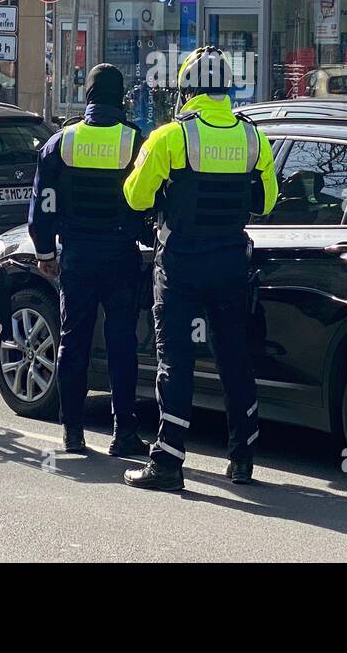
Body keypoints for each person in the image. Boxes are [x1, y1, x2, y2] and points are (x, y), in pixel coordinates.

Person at [121, 46, 278, 491]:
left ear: (186, 90)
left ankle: (168, 463)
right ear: (227, 88)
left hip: (181, 264)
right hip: (230, 263)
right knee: (234, 359)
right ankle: (243, 458)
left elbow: (135, 196)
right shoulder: (254, 138)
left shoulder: (171, 137)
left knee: (175, 360)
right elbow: (266, 202)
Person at [28, 63, 151, 458]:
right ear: (120, 97)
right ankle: (124, 432)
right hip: (120, 256)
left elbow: (42, 205)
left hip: (77, 256)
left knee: (73, 340)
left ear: (89, 97)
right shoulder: (135, 142)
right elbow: (148, 201)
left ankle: (73, 432)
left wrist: (45, 253)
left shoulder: (61, 142)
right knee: (122, 343)